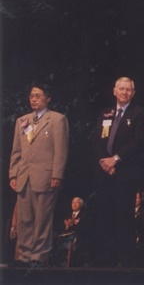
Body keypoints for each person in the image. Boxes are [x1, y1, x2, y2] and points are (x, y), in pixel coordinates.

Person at [9, 82, 69, 268]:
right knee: (24, 219)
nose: (33, 99)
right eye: (31, 96)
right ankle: (23, 255)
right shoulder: (22, 120)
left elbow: (61, 151)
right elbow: (16, 151)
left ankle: (38, 256)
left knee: (42, 219)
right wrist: (13, 174)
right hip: (23, 177)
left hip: (46, 177)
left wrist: (57, 175)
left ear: (48, 98)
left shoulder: (57, 119)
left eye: (38, 96)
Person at [91, 76, 144, 267]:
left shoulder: (139, 113)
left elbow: (139, 141)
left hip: (126, 174)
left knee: (124, 217)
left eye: (128, 89)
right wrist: (104, 162)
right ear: (114, 91)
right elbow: (96, 140)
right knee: (104, 216)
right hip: (104, 173)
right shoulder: (104, 113)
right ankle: (104, 260)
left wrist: (115, 159)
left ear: (133, 93)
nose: (124, 92)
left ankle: (127, 262)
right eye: (121, 89)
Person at [57, 197, 87, 267]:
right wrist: (67, 226)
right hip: (65, 236)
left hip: (77, 236)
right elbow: (62, 225)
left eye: (77, 203)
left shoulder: (83, 215)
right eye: (73, 203)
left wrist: (72, 224)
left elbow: (82, 228)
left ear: (81, 205)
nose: (74, 204)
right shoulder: (67, 215)